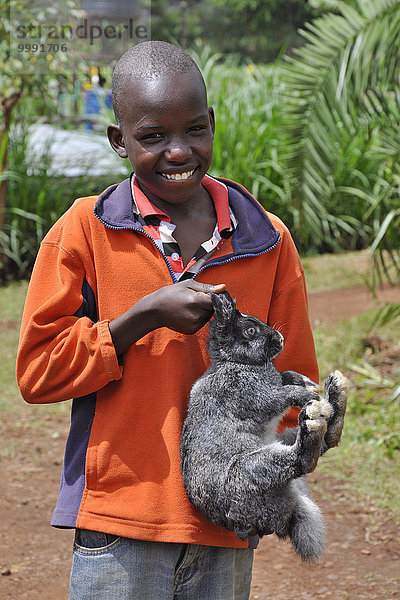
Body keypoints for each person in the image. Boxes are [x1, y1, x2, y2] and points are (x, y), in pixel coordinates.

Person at [16, 41, 319, 600]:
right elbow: (39, 372)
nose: (178, 151)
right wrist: (140, 318)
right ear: (119, 141)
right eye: (152, 136)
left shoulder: (266, 240)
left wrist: (272, 478)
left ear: (212, 124)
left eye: (194, 130)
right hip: (119, 524)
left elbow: (295, 384)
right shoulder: (85, 231)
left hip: (224, 531)